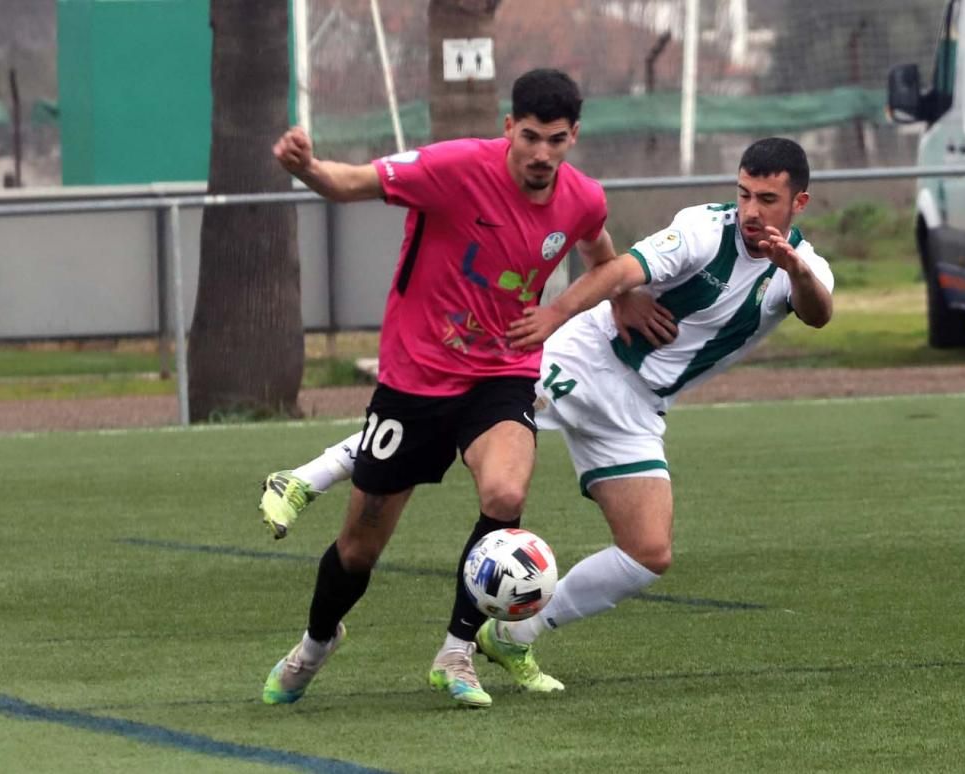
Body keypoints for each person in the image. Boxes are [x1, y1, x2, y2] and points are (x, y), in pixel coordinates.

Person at [261, 137, 834, 697]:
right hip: (586, 356)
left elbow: (818, 312)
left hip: (635, 408)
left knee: (649, 551)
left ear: (798, 203)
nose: (751, 211)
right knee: (446, 418)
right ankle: (307, 476)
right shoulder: (706, 229)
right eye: (744, 194)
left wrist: (797, 269)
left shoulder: (801, 267)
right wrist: (558, 314)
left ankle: (512, 634)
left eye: (765, 200)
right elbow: (621, 268)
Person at [260, 68, 642, 710]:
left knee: (505, 490)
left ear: (573, 136)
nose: (542, 154)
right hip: (415, 379)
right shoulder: (456, 168)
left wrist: (562, 312)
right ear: (507, 129)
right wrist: (307, 167)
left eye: (555, 139)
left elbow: (605, 260)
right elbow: (351, 183)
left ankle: (457, 651)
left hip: (502, 375)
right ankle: (316, 643)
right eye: (530, 137)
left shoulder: (583, 198)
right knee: (359, 548)